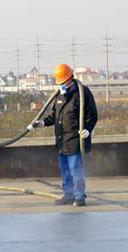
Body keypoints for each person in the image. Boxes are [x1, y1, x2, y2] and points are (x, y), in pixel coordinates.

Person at [33, 64, 98, 206]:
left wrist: (87, 129)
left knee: (76, 170)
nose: (61, 84)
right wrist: (43, 123)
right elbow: (55, 116)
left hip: (75, 139)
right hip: (61, 140)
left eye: (63, 81)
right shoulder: (59, 95)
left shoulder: (82, 93)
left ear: (70, 78)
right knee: (65, 170)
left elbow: (92, 114)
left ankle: (79, 196)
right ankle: (68, 195)